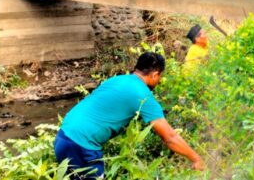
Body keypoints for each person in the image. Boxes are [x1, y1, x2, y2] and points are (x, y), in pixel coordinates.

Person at [55, 52, 204, 178]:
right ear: (155, 74)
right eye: (160, 77)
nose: (159, 81)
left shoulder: (117, 79)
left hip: (63, 136)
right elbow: (170, 137)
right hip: (82, 145)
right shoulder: (142, 94)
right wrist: (196, 159)